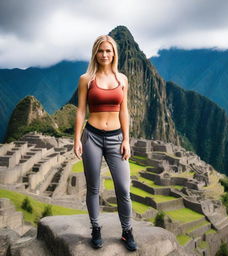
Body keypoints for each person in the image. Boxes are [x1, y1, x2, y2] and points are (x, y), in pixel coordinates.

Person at [73, 35, 137, 251]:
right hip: (92, 137)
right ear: (95, 53)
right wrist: (76, 140)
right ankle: (95, 228)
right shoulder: (86, 79)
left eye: (108, 51)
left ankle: (127, 231)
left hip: (116, 138)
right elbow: (81, 111)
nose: (105, 55)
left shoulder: (122, 79)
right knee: (93, 187)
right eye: (101, 51)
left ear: (114, 54)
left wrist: (127, 140)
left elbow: (125, 111)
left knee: (123, 189)